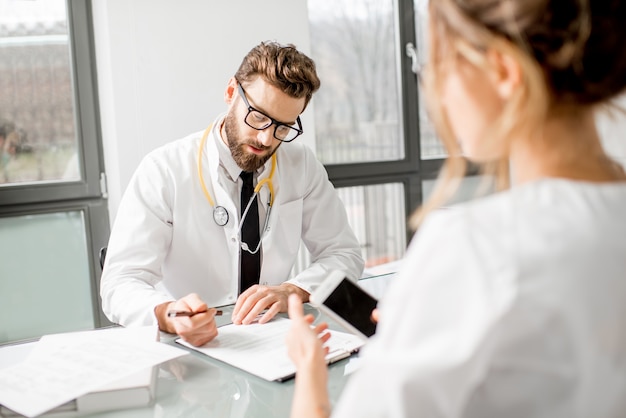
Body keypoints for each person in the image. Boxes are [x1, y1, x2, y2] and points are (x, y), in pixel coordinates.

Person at [287, 0, 626, 416]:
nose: (437, 94)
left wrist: (309, 370)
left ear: (502, 71)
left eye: (438, 66)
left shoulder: (476, 247)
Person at [100, 41, 364, 347]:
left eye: (283, 127)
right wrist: (167, 315)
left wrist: (294, 289)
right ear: (230, 93)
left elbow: (345, 254)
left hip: (273, 342)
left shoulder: (301, 165)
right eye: (259, 116)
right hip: (188, 349)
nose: (266, 138)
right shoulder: (164, 170)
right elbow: (120, 283)